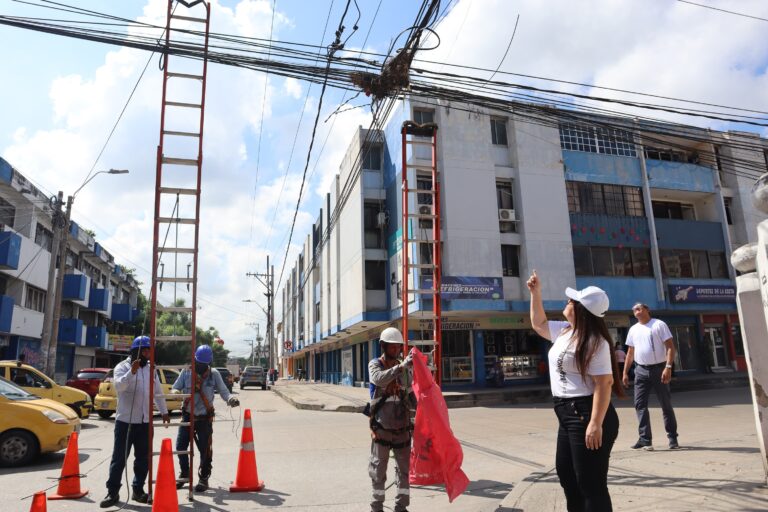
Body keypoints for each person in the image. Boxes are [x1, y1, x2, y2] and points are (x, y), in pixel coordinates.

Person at [527, 271, 623, 512]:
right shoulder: (564, 331)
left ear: (582, 310)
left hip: (587, 413)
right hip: (566, 413)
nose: (567, 302)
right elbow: (538, 324)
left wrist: (595, 423)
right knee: (568, 477)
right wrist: (535, 293)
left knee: (590, 484)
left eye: (572, 301)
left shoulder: (595, 341)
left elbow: (604, 383)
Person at [101, 336, 170, 508]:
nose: (148, 354)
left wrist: (164, 412)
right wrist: (131, 372)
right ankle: (113, 491)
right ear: (136, 352)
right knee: (119, 458)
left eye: (149, 351)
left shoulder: (150, 370)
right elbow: (119, 387)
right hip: (125, 422)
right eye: (145, 351)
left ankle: (138, 490)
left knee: (143, 459)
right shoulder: (122, 367)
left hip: (145, 422)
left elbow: (157, 391)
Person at [172, 345, 240, 492]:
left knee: (205, 450)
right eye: (199, 363)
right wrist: (177, 392)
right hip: (188, 415)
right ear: (195, 360)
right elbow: (175, 387)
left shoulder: (213, 374)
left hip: (204, 418)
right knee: (180, 447)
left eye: (204, 364)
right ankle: (185, 473)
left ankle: (204, 478)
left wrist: (231, 399)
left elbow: (223, 391)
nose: (201, 366)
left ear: (209, 363)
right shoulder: (186, 372)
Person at [367, 327, 415, 512]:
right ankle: (376, 507)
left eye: (398, 347)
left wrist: (422, 414)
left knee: (404, 471)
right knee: (378, 469)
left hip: (402, 428)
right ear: (383, 346)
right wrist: (401, 367)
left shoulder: (404, 368)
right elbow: (379, 379)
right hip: (381, 427)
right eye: (392, 347)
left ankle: (401, 507)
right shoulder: (375, 365)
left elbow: (410, 394)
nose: (396, 350)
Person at [623, 303, 679, 450]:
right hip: (640, 371)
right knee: (640, 405)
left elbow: (670, 347)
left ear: (647, 310)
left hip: (659, 369)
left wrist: (668, 367)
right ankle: (645, 439)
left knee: (665, 405)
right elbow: (630, 352)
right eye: (634, 310)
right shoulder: (633, 330)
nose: (637, 311)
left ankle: (672, 438)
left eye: (639, 308)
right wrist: (624, 372)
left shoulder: (659, 325)